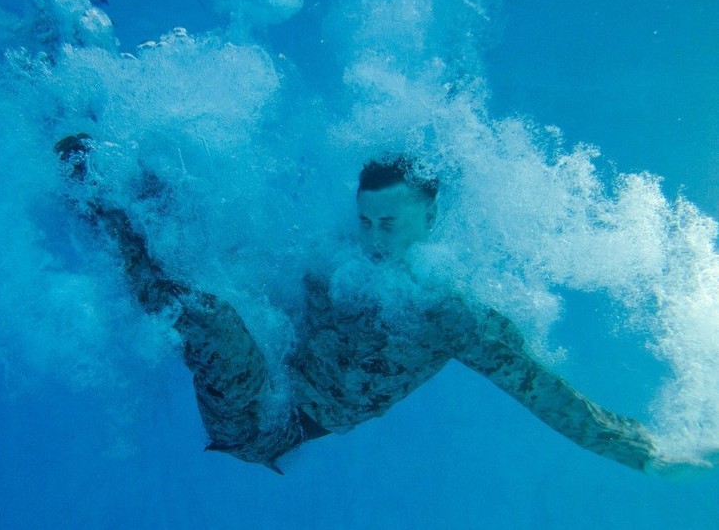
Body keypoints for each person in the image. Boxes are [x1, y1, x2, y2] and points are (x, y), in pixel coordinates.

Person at [55, 135, 659, 474]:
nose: (373, 238)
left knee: (211, 318)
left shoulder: (449, 314)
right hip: (265, 360)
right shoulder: (342, 253)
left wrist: (641, 451)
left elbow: (536, 386)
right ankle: (114, 172)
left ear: (431, 216)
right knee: (195, 230)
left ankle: (96, 205)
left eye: (389, 224)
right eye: (365, 221)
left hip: (269, 426)